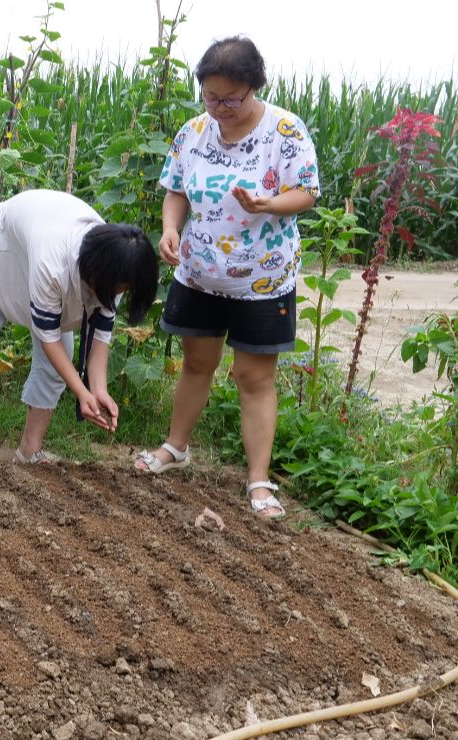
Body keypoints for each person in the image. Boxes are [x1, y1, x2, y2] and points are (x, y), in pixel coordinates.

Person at [134, 36, 320, 518]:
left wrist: (268, 204)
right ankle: (175, 447)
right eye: (211, 97)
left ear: (255, 87)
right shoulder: (193, 131)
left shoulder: (285, 131)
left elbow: (306, 194)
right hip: (198, 273)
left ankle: (258, 481)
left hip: (262, 277)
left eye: (231, 99)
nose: (220, 108)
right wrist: (171, 229)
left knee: (253, 376)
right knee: (197, 363)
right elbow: (176, 189)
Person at [0, 189, 160, 471]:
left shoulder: (119, 269)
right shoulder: (55, 262)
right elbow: (49, 340)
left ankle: (28, 453)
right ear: (99, 272)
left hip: (36, 260)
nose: (121, 294)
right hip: (0, 252)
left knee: (57, 364)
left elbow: (99, 338)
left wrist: (99, 391)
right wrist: (81, 393)